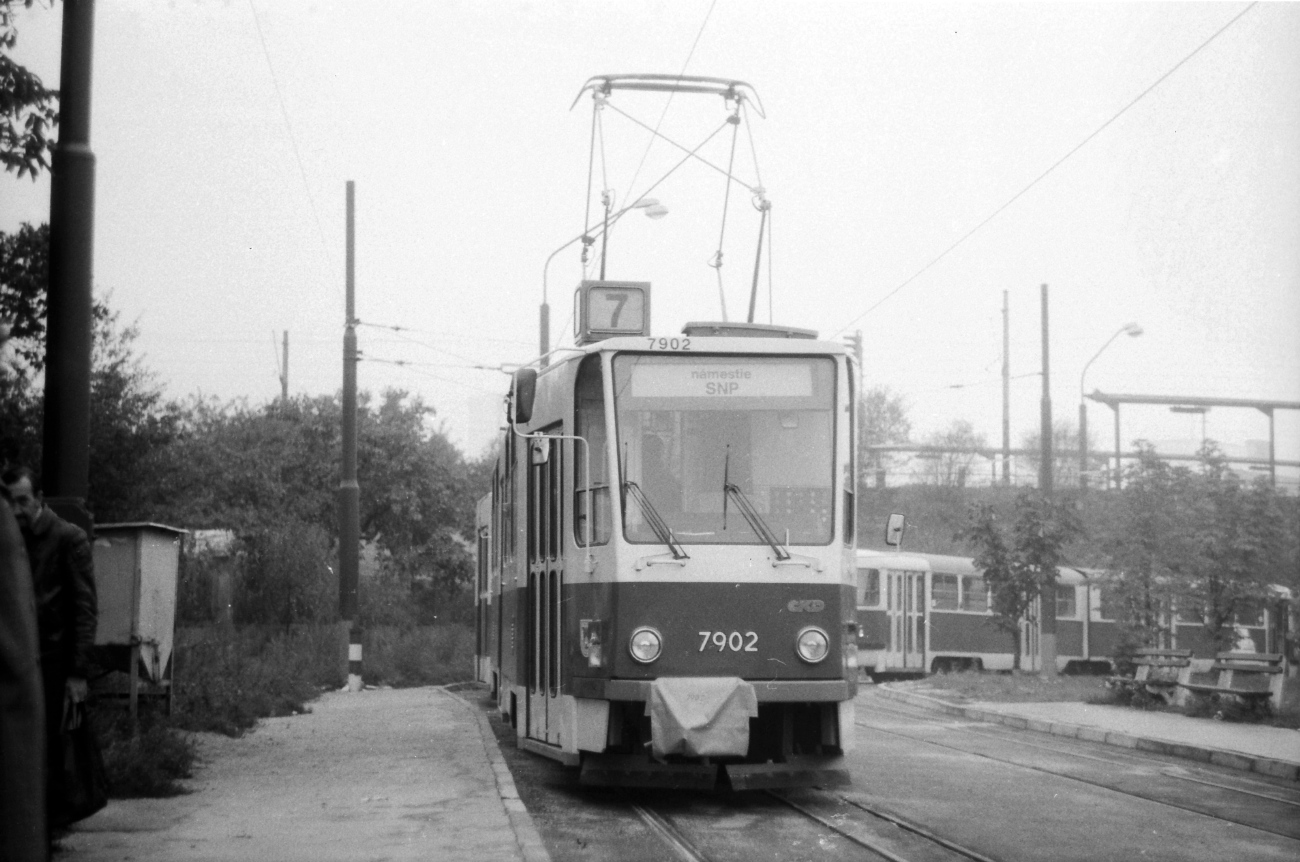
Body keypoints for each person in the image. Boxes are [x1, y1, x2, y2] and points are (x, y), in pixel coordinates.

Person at [4, 465, 98, 834]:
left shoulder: (67, 538)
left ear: (40, 499)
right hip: (21, 663)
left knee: (54, 749)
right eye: (10, 502)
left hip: (55, 664)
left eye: (23, 501)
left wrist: (78, 673)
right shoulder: (13, 539)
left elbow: (84, 608)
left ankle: (49, 826)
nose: (16, 510)